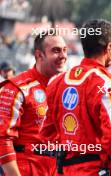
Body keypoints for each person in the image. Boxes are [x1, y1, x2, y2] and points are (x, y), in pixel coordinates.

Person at [40, 19, 111, 176]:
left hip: (64, 170)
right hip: (98, 170)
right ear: (109, 47)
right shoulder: (108, 83)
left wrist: (71, 147)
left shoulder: (57, 81)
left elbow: (46, 134)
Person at [0, 30, 67, 176]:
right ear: (39, 55)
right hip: (26, 168)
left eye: (64, 50)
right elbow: (3, 140)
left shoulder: (68, 88)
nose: (63, 56)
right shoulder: (16, 88)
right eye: (56, 51)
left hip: (58, 168)